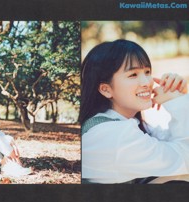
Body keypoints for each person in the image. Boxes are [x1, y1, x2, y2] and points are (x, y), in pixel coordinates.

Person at [80, 39, 189, 184]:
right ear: (106, 89)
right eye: (133, 75)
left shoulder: (118, 124)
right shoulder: (114, 135)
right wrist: (176, 101)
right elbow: (184, 158)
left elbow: (169, 140)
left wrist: (178, 95)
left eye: (147, 72)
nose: (147, 82)